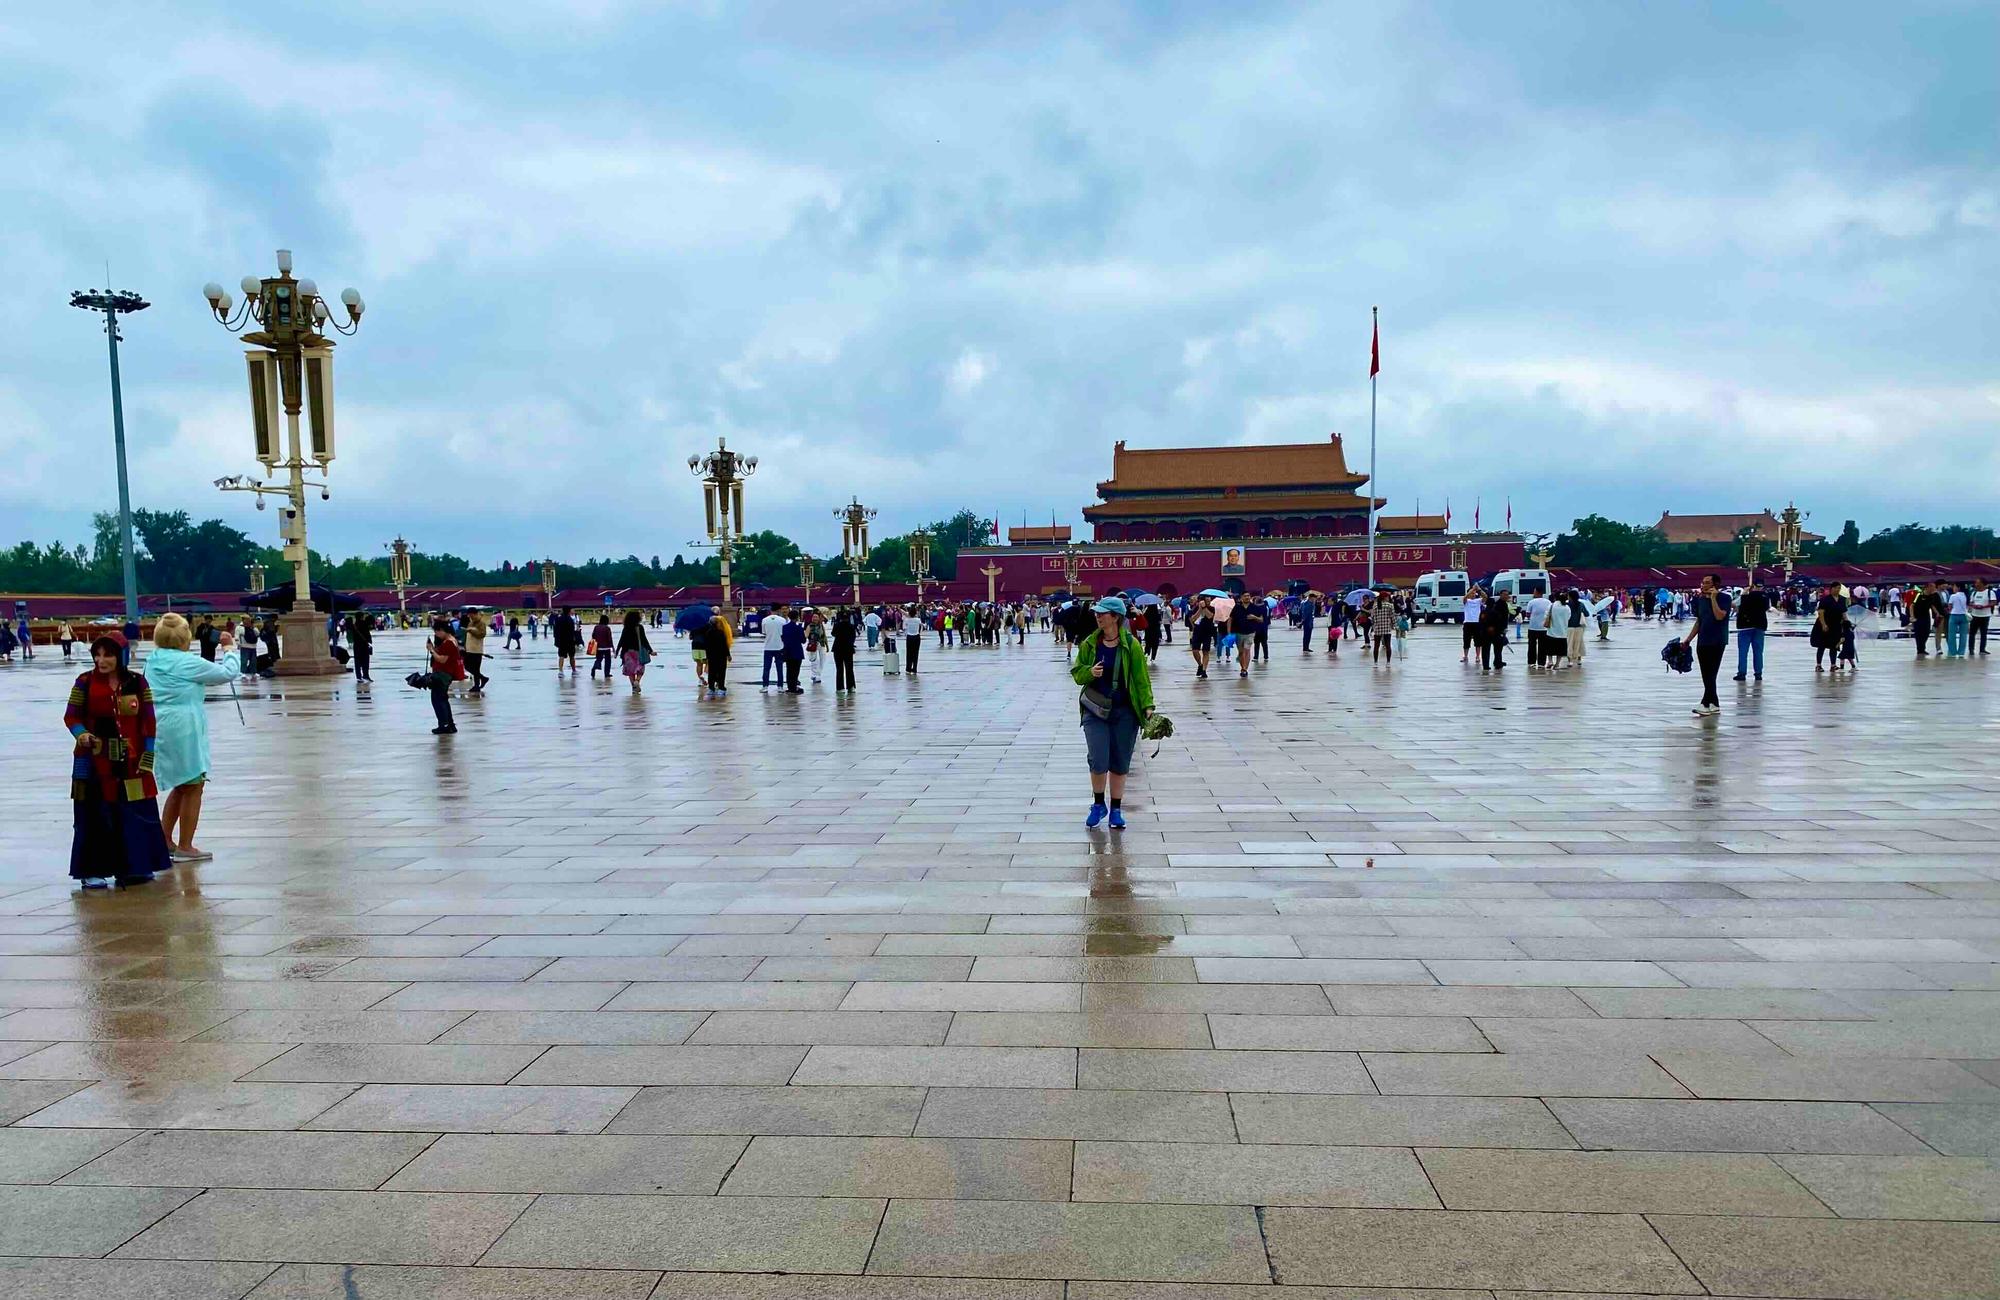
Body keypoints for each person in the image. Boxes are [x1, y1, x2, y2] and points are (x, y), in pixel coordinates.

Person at [64, 634, 172, 889]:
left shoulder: (137, 682)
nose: (101, 660)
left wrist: (148, 753)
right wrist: (82, 735)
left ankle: (135, 867)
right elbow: (71, 717)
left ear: (120, 656)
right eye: (97, 655)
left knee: (134, 813)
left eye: (108, 655)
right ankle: (92, 870)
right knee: (94, 814)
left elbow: (148, 720)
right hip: (94, 761)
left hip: (131, 762)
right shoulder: (84, 683)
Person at [145, 613, 241, 862]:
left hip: (161, 722)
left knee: (181, 783)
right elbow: (227, 672)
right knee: (194, 784)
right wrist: (229, 648)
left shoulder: (153, 660)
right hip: (184, 725)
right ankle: (186, 845)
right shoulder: (186, 662)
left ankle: (164, 839)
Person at [1070, 596, 1153, 830]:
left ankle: (1116, 808)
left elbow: (1141, 679)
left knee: (1120, 761)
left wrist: (1147, 706)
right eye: (1096, 613)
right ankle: (1098, 804)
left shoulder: (1131, 645)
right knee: (1098, 759)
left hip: (1124, 712)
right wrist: (1089, 673)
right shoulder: (1089, 644)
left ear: (1115, 617)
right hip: (1094, 710)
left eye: (1102, 613)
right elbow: (1077, 673)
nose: (1097, 616)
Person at [1681, 574, 1732, 716]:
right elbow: (1699, 621)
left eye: (1707, 583)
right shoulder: (1700, 599)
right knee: (1706, 673)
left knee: (1711, 673)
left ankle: (1705, 703)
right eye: (1702, 582)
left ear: (1715, 584)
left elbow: (1720, 616)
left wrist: (1714, 599)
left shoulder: (1724, 598)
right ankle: (1714, 704)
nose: (1703, 585)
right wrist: (1688, 640)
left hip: (1717, 640)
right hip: (1703, 640)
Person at [1732, 583, 1768, 681]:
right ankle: (1758, 673)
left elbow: (1734, 604)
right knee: (1758, 651)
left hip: (1745, 627)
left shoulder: (1745, 597)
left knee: (1743, 651)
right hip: (1759, 626)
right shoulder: (1765, 597)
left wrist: (1744, 593)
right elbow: (1767, 608)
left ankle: (1742, 673)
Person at [617, 609, 654, 693]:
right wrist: (650, 651)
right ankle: (637, 681)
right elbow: (644, 640)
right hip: (637, 652)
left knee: (630, 671)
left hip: (627, 652)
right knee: (640, 669)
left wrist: (617, 651)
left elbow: (622, 640)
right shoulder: (639, 627)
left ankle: (633, 687)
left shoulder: (626, 628)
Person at [759, 606, 788, 688]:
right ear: (778, 610)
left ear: (770, 610)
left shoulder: (764, 620)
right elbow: (783, 633)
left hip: (768, 647)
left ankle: (765, 686)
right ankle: (780, 687)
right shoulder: (782, 620)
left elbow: (764, 632)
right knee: (779, 668)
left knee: (766, 668)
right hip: (779, 646)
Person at [704, 611, 733, 694]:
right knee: (721, 671)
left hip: (711, 655)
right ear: (717, 623)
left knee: (712, 672)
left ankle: (711, 688)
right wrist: (728, 655)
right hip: (721, 655)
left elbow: (706, 646)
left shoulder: (708, 633)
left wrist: (707, 656)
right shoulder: (721, 633)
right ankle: (721, 687)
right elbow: (724, 645)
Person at [462, 611, 490, 693]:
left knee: (476, 668)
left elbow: (481, 634)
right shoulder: (471, 623)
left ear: (475, 614)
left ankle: (477, 685)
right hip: (469, 648)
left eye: (471, 615)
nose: (471, 617)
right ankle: (482, 678)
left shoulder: (481, 624)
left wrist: (471, 630)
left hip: (477, 649)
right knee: (467, 666)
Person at [1910, 581, 1939, 661]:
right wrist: (1912, 616)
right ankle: (1920, 650)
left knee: (1926, 633)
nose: (1934, 588)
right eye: (1933, 587)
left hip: (1926, 617)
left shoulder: (1931, 596)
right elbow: (1912, 605)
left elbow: (1932, 605)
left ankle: (1922, 648)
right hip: (1918, 617)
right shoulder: (1919, 595)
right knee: (1919, 634)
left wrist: (1936, 612)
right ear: (1928, 587)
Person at [831, 608, 858, 692]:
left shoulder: (837, 625)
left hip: (837, 648)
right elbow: (853, 637)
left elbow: (833, 634)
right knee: (849, 668)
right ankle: (851, 686)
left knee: (839, 669)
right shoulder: (851, 626)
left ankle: (840, 687)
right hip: (848, 649)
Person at [1188, 596, 1215, 679]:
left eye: (1209, 601)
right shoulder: (1195, 608)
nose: (1208, 602)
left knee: (1205, 651)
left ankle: (1204, 670)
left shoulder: (1211, 608)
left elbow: (1210, 616)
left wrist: (1204, 608)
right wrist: (1200, 609)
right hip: (1197, 631)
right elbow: (1192, 619)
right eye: (1206, 601)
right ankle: (1200, 664)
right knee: (1195, 650)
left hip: (1207, 632)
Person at [1370, 591, 1397, 663]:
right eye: (1388, 597)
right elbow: (1392, 617)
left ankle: (1375, 662)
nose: (1388, 598)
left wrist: (1374, 625)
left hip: (1377, 628)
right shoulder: (1390, 605)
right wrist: (1395, 625)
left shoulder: (1375, 606)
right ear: (1385, 597)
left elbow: (1372, 618)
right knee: (1388, 645)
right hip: (1387, 628)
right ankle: (1388, 662)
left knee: (1376, 646)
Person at [552, 606, 579, 675]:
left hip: (561, 640)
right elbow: (572, 631)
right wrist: (575, 640)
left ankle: (560, 671)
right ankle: (574, 670)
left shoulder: (558, 619)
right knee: (572, 656)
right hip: (570, 640)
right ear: (569, 611)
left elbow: (555, 630)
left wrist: (556, 639)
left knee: (561, 656)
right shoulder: (570, 620)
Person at [1946, 582, 1971, 657]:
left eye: (1954, 586)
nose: (1953, 588)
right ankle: (1961, 653)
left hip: (1954, 615)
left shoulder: (1953, 596)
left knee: (1951, 635)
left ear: (1958, 587)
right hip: (1964, 616)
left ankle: (1952, 652)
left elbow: (1950, 607)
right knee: (1963, 635)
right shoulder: (1966, 595)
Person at [348, 612, 373, 682]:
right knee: (365, 661)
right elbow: (371, 620)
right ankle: (366, 675)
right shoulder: (364, 623)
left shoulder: (354, 625)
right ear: (361, 617)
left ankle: (359, 676)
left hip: (356, 645)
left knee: (357, 661)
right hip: (364, 644)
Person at [1971, 578, 1993, 656]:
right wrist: (1975, 606)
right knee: (1972, 633)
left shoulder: (1989, 592)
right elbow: (1971, 602)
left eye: (1977, 583)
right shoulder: (1974, 593)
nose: (1976, 584)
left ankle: (1982, 649)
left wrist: (1984, 606)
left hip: (1985, 615)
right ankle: (1971, 649)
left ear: (1982, 584)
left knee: (1983, 633)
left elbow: (1993, 602)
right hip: (1975, 615)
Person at [803, 609, 825, 684]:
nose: (815, 618)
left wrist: (827, 646)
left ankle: (817, 674)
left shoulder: (821, 625)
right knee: (814, 660)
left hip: (821, 644)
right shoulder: (809, 626)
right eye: (813, 617)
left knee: (822, 659)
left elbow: (824, 636)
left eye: (816, 617)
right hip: (812, 644)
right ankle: (815, 675)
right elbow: (806, 635)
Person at [905, 605, 922, 674]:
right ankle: (914, 668)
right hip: (916, 636)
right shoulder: (918, 620)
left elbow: (905, 628)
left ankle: (908, 668)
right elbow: (920, 626)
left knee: (909, 653)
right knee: (916, 653)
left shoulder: (907, 620)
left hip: (909, 637)